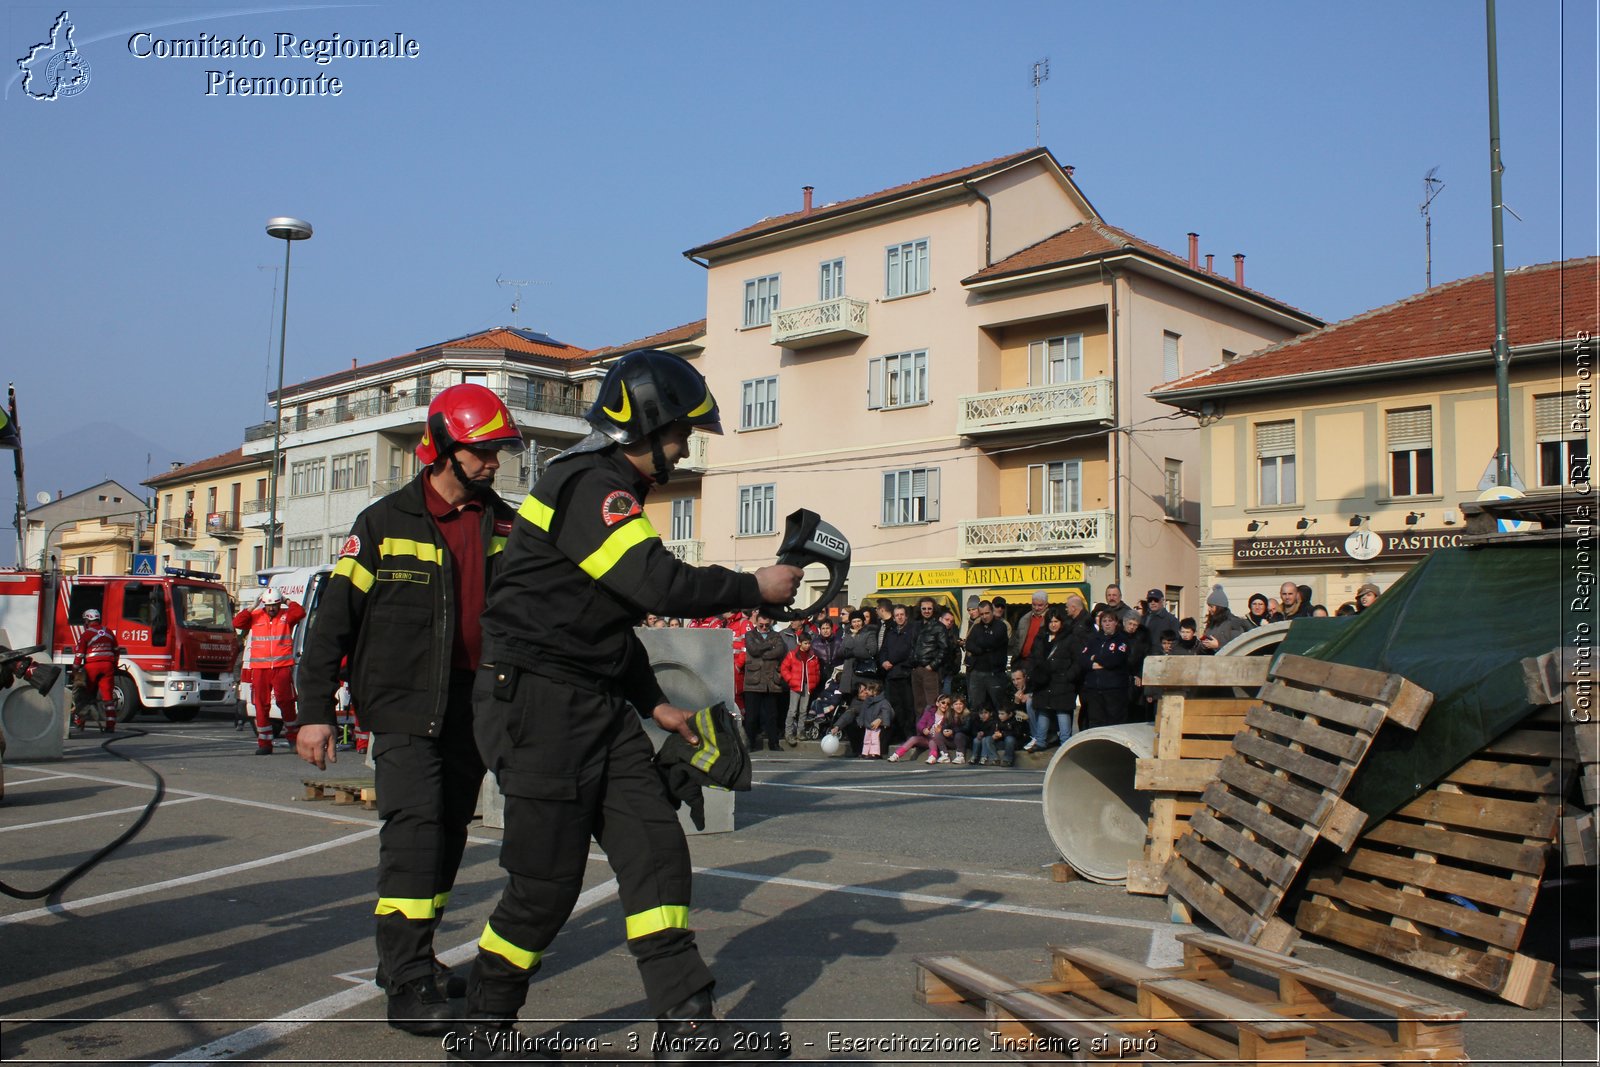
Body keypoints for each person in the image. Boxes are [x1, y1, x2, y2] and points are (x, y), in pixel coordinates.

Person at [447, 349, 802, 1058]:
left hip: (595, 702)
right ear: (650, 422)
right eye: (682, 432)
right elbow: (654, 584)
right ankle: (484, 1025)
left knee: (655, 851)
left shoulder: (605, 488)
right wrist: (754, 588)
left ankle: (688, 1025)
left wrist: (655, 704)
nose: (686, 444)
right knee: (545, 886)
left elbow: (603, 619)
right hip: (538, 704)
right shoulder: (593, 485)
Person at [295, 382, 524, 1036]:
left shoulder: (505, 523)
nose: (493, 463)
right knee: (415, 829)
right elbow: (330, 625)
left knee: (450, 830)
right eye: (482, 452)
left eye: (497, 452)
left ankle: (412, 953)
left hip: (474, 707)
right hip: (402, 707)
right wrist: (315, 710)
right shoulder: (383, 523)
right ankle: (405, 979)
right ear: (445, 451)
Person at [234, 587, 307, 755]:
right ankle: (265, 743)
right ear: (264, 605)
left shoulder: (286, 616)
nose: (272, 608)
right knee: (261, 705)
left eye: (275, 604)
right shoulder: (255, 616)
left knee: (286, 704)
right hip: (260, 669)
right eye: (269, 605)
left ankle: (293, 739)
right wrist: (252, 606)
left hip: (281, 668)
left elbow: (300, 612)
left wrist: (287, 600)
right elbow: (237, 623)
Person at [1032, 608, 1084, 746]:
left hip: (1063, 682)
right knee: (1043, 711)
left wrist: (1069, 676)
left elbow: (1078, 661)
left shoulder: (1070, 638)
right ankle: (1040, 741)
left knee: (1062, 712)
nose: (1053, 624)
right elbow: (1034, 658)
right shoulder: (1041, 637)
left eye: (1056, 621)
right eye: (1050, 621)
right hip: (1044, 681)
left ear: (1061, 622)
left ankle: (1065, 743)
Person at [740, 611, 788, 752]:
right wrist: (768, 646)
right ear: (756, 622)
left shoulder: (777, 635)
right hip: (753, 681)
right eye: (761, 625)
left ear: (771, 623)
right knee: (752, 716)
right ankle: (750, 743)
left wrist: (763, 652)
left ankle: (774, 743)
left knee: (772, 715)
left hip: (771, 681)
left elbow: (779, 651)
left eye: (767, 625)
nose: (764, 628)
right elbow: (753, 650)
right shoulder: (750, 635)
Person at [1079, 609, 1131, 731]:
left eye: (1110, 621)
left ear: (1116, 623)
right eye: (1104, 621)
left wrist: (1096, 657)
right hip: (1094, 690)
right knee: (1096, 723)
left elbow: (1115, 659)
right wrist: (1092, 665)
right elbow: (1082, 658)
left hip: (1114, 690)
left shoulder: (1121, 640)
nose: (1107, 624)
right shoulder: (1094, 639)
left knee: (1115, 723)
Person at [71, 608, 119, 733]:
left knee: (84, 695)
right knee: (108, 697)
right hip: (108, 666)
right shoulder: (108, 632)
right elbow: (116, 650)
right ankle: (110, 725)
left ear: (88, 620)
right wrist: (114, 665)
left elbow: (80, 654)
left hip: (91, 667)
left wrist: (75, 668)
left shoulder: (86, 634)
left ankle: (80, 721)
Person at [963, 600, 1009, 716]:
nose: (984, 616)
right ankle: (976, 733)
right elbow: (968, 644)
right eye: (982, 614)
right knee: (975, 707)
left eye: (987, 613)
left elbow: (992, 642)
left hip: (995, 672)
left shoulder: (1001, 626)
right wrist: (981, 649)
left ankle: (1000, 732)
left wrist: (978, 646)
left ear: (992, 612)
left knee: (999, 707)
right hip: (977, 671)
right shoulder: (977, 627)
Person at [877, 604, 917, 742]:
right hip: (891, 675)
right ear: (893, 618)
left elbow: (907, 651)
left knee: (908, 707)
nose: (899, 617)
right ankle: (897, 735)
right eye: (897, 615)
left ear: (906, 616)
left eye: (902, 614)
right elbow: (883, 650)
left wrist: (892, 661)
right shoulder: (891, 632)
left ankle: (909, 735)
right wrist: (883, 661)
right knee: (894, 707)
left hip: (904, 674)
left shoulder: (912, 631)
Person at [909, 596, 950, 714]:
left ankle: (934, 732)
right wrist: (912, 663)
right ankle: (920, 731)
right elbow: (912, 646)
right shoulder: (916, 626)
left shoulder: (939, 627)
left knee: (932, 704)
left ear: (934, 610)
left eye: (929, 609)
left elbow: (945, 649)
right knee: (918, 705)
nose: (926, 611)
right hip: (916, 668)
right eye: (924, 609)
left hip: (930, 670)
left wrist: (932, 666)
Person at [780, 630, 823, 745]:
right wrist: (790, 680)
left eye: (809, 643)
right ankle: (788, 733)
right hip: (795, 685)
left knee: (803, 710)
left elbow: (817, 671)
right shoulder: (792, 655)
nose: (807, 645)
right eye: (805, 643)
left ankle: (800, 731)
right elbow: (784, 669)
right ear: (800, 643)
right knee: (793, 710)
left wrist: (814, 682)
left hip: (807, 685)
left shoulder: (813, 656)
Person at [832, 677, 891, 759]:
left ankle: (880, 752)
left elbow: (890, 712)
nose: (865, 692)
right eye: (862, 692)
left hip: (879, 727)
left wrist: (880, 719)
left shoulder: (881, 699)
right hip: (867, 728)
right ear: (857, 696)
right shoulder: (858, 703)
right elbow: (849, 714)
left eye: (866, 689)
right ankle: (859, 750)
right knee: (851, 725)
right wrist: (837, 726)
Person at [836, 609, 878, 694]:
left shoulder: (869, 633)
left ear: (863, 621)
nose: (856, 624)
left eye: (859, 621)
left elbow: (872, 651)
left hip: (862, 671)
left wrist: (853, 652)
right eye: (854, 621)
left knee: (863, 696)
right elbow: (840, 651)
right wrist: (848, 651)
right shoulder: (848, 634)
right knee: (850, 698)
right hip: (848, 672)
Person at [1198, 586, 1248, 655]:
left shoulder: (1234, 623)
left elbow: (1238, 648)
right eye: (1208, 606)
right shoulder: (1212, 622)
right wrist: (1203, 645)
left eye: (1211, 606)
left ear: (1219, 607)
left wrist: (1217, 646)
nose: (1209, 609)